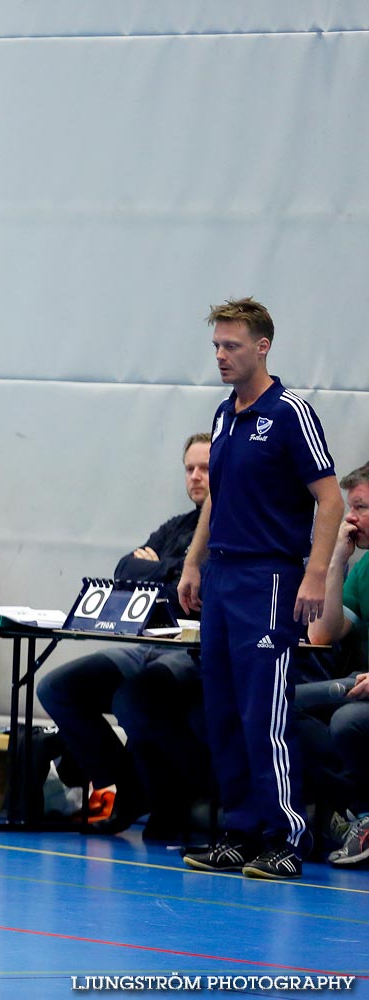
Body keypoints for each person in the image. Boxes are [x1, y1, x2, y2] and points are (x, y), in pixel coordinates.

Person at [178, 297, 342, 880]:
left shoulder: (291, 410)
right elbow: (216, 497)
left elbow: (329, 498)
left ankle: (286, 835)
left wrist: (314, 573)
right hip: (221, 576)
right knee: (221, 707)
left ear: (262, 346)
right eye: (217, 346)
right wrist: (194, 563)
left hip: (269, 577)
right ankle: (239, 830)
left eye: (232, 346)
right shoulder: (224, 415)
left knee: (262, 712)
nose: (221, 356)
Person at [34, 433, 214, 838]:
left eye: (206, 468)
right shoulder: (176, 526)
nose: (196, 477)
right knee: (58, 687)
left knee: (133, 698)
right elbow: (123, 574)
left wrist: (155, 570)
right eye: (190, 469)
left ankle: (173, 796)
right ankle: (126, 787)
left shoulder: (233, 526)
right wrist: (171, 570)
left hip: (196, 648)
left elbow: (199, 590)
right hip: (150, 642)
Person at [302, 462, 369, 866]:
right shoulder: (362, 569)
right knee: (279, 703)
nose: (350, 517)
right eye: (349, 506)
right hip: (357, 684)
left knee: (348, 722)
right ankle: (357, 812)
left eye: (359, 507)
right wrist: (335, 562)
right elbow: (321, 635)